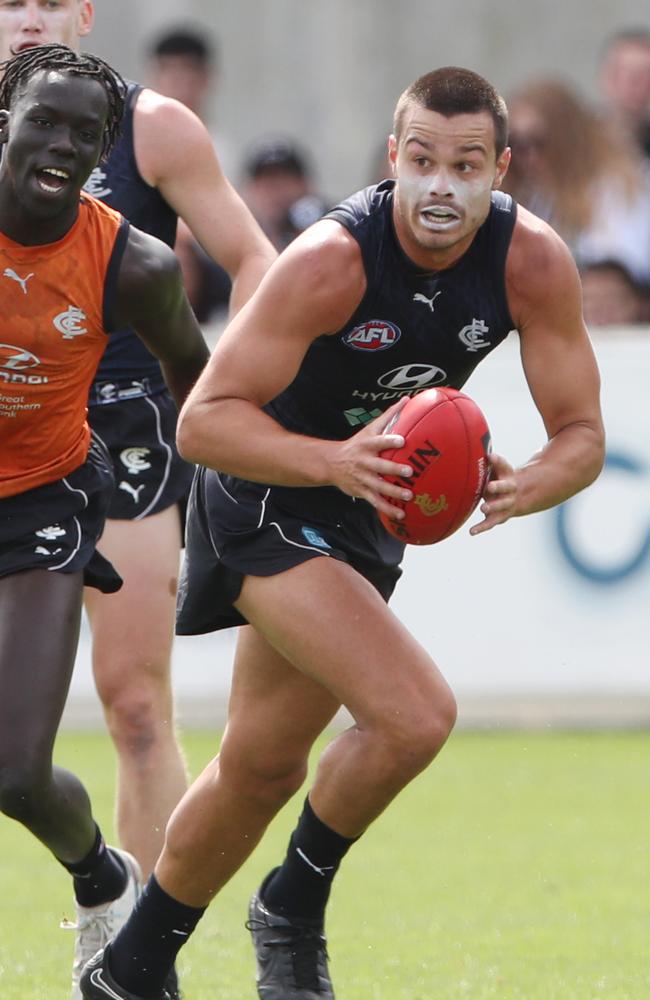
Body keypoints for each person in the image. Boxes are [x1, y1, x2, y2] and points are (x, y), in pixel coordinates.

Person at [80, 66, 605, 1000]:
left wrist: (527, 481)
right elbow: (204, 421)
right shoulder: (330, 260)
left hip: (361, 504)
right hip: (267, 491)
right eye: (423, 160)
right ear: (391, 158)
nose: (443, 185)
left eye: (468, 164)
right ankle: (291, 909)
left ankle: (130, 967)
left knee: (260, 765)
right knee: (415, 715)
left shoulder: (531, 260)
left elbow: (584, 437)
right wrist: (332, 461)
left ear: (502, 169)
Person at [0, 2, 276, 980]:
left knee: (130, 707)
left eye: (47, 1)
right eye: (11, 0)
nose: (28, 18)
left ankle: (143, 948)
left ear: (82, 14)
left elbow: (242, 283)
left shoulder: (149, 160)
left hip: (103, 445)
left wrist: (252, 428)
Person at [502, 77, 650, 287]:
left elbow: (622, 272)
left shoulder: (619, 185)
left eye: (538, 141)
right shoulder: (531, 194)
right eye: (515, 143)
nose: (527, 156)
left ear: (565, 139)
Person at [241, 134, 326, 249]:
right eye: (267, 182)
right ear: (250, 190)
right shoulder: (238, 245)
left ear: (306, 184)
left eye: (285, 180)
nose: (276, 191)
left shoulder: (328, 227)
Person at [599, 28, 650, 160]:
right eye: (626, 72)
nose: (635, 82)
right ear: (607, 77)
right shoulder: (579, 138)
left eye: (644, 74)